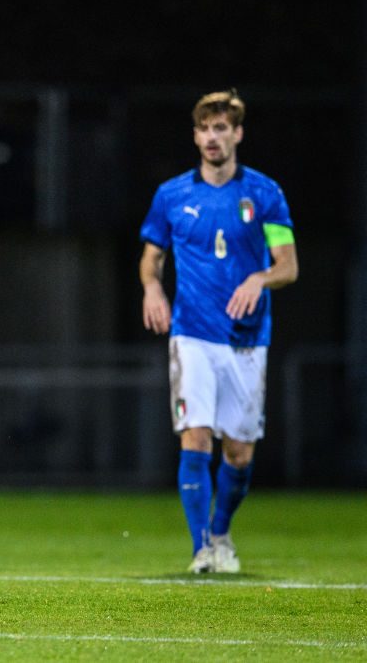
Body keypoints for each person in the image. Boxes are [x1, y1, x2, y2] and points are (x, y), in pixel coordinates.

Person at [139, 89, 298, 573]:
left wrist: (260, 276)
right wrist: (151, 289)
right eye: (205, 128)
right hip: (192, 334)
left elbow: (288, 265)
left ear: (237, 134)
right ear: (195, 135)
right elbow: (152, 259)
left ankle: (222, 531)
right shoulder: (172, 196)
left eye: (221, 128)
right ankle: (201, 549)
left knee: (240, 452)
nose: (212, 137)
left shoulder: (265, 194)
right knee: (196, 436)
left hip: (247, 338)